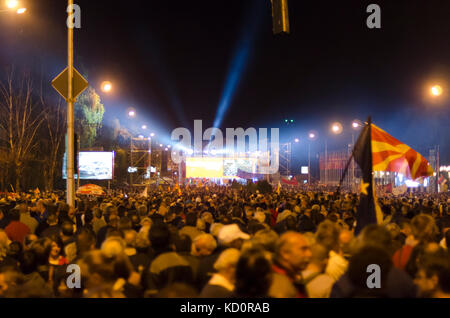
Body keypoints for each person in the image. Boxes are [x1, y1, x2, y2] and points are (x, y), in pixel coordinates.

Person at [270, 231, 312, 298]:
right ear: (285, 253)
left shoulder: (291, 277)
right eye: (303, 249)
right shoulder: (279, 288)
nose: (309, 254)